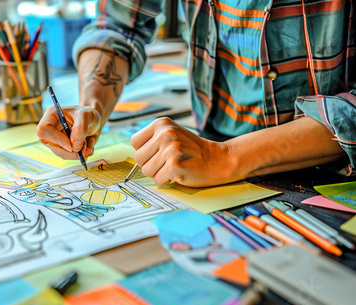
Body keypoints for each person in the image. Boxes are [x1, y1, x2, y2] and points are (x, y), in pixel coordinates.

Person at [37, 0, 355, 188]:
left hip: (331, 175)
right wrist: (91, 107)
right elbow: (120, 24)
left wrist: (225, 158)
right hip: (206, 155)